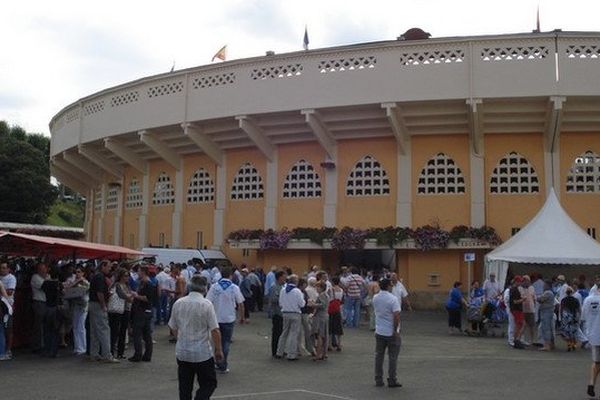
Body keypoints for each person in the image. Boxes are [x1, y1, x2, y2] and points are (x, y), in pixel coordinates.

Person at [169, 275, 223, 400]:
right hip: (202, 353)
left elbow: (173, 326)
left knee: (184, 386)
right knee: (209, 383)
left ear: (189, 286)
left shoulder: (179, 303)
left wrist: (180, 339)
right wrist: (218, 349)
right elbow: (215, 330)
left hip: (183, 352)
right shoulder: (206, 304)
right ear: (205, 288)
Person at [206, 266, 245, 373]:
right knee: (226, 342)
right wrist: (242, 317)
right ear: (231, 276)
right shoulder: (234, 288)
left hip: (216, 318)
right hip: (229, 318)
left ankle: (216, 361)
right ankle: (223, 364)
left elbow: (207, 302)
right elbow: (241, 304)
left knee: (216, 342)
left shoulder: (214, 287)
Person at [373, 278, 402, 388]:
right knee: (393, 357)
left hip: (380, 330)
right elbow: (396, 315)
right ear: (389, 286)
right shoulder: (393, 299)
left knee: (379, 356)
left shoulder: (376, 298)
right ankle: (392, 379)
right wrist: (395, 330)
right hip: (390, 331)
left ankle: (378, 379)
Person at [89, 260, 119, 362]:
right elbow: (100, 293)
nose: (110, 269)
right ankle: (107, 355)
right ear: (103, 266)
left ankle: (94, 353)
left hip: (92, 304)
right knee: (104, 330)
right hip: (98, 305)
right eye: (109, 267)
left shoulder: (96, 276)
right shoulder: (100, 277)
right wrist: (103, 305)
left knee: (94, 330)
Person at [129, 265, 157, 362]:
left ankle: (138, 355)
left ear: (143, 272)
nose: (138, 273)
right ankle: (146, 355)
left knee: (138, 333)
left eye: (139, 271)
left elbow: (147, 298)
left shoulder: (147, 284)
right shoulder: (145, 283)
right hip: (145, 311)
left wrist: (136, 296)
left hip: (142, 311)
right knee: (146, 334)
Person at [276, 274, 305, 361]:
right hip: (295, 313)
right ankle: (291, 354)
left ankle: (279, 352)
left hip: (285, 313)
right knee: (293, 334)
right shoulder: (297, 291)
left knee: (284, 333)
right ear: (296, 282)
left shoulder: (283, 290)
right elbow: (302, 304)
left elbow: (280, 303)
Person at [63, 266, 90, 355]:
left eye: (79, 272)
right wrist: (75, 282)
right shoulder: (73, 280)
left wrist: (78, 282)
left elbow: (85, 289)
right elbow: (66, 288)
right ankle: (77, 347)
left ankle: (83, 347)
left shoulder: (85, 282)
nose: (77, 273)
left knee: (81, 326)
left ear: (83, 273)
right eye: (76, 272)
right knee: (75, 326)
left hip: (83, 306)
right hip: (75, 305)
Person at [108, 268, 133, 359]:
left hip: (126, 309)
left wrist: (130, 296)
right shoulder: (117, 285)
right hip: (117, 309)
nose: (127, 278)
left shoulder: (127, 285)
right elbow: (122, 295)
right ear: (121, 276)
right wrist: (130, 297)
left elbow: (129, 295)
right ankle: (111, 351)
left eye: (128, 276)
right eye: (125, 276)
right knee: (114, 331)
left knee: (123, 331)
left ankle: (120, 352)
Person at [41, 267, 62, 358]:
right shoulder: (58, 284)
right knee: (55, 330)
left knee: (47, 330)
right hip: (56, 307)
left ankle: (47, 350)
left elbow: (42, 288)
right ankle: (54, 351)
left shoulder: (46, 283)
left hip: (47, 306)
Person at [582, 288, 600, 397]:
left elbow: (583, 317)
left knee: (597, 362)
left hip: (594, 335)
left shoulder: (588, 300)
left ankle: (591, 384)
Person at [30, 263, 49, 353]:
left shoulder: (48, 276)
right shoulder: (35, 277)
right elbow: (45, 286)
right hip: (39, 302)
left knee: (45, 325)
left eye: (44, 269)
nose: (43, 271)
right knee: (38, 325)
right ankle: (37, 346)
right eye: (41, 269)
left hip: (47, 302)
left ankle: (45, 344)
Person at [0, 263, 16, 358]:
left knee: (8, 328)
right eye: (0, 268)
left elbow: (10, 292)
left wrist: (2, 289)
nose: (2, 270)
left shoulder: (11, 278)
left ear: (8, 269)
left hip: (7, 305)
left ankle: (8, 349)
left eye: (4, 268)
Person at [310, 281, 329, 361]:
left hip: (320, 317)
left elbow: (323, 305)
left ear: (321, 288)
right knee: (324, 335)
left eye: (317, 287)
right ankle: (324, 353)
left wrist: (313, 305)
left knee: (319, 336)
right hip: (324, 316)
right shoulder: (326, 295)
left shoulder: (321, 295)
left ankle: (318, 354)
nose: (316, 289)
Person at [269, 270, 286, 357]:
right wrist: (282, 298)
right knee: (276, 332)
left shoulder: (283, 286)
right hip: (276, 313)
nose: (285, 278)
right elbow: (273, 299)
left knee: (281, 332)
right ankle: (275, 351)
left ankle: (281, 349)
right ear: (279, 277)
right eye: (284, 277)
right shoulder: (274, 287)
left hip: (282, 312)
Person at [559, 287, 580, 352]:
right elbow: (578, 309)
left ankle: (569, 344)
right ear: (572, 292)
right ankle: (574, 344)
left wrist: (561, 317)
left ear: (566, 293)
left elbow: (561, 309)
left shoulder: (563, 300)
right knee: (573, 331)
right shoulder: (576, 300)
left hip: (566, 317)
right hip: (574, 317)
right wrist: (579, 317)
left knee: (567, 332)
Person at [537, 280, 555, 351]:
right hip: (548, 312)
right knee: (549, 328)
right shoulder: (550, 293)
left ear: (548, 285)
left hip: (546, 312)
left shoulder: (548, 293)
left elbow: (541, 299)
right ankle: (551, 344)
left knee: (546, 328)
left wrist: (536, 297)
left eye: (545, 285)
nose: (543, 286)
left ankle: (547, 345)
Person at [509, 276, 526, 349]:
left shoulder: (514, 289)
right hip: (516, 309)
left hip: (516, 309)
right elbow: (515, 301)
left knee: (520, 324)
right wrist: (523, 299)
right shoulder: (514, 290)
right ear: (516, 281)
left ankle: (516, 339)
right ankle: (515, 339)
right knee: (519, 324)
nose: (520, 283)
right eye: (519, 281)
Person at [328, 276, 344, 351]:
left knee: (330, 328)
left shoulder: (331, 289)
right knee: (338, 328)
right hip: (338, 309)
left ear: (333, 282)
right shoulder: (341, 290)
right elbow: (341, 300)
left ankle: (330, 345)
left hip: (331, 310)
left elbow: (328, 299)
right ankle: (339, 344)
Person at [520, 275, 537, 345]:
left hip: (531, 309)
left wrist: (534, 305)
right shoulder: (520, 288)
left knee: (531, 326)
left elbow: (534, 297)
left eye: (527, 281)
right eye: (524, 281)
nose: (526, 282)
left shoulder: (532, 288)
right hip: (523, 309)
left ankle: (532, 340)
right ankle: (519, 338)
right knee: (523, 325)